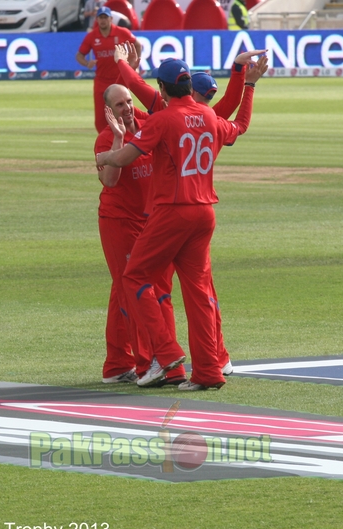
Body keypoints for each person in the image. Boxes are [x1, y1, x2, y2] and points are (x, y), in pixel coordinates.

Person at [96, 58, 261, 391]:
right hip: (205, 212)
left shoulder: (162, 119)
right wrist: (249, 86)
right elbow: (240, 125)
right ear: (190, 87)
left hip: (173, 212)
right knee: (199, 293)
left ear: (162, 89)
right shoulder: (210, 116)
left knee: (134, 276)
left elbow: (126, 158)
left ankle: (167, 352)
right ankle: (208, 371)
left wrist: (106, 158)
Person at [94, 84, 187, 386]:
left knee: (125, 289)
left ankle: (116, 364)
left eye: (129, 101)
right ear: (109, 110)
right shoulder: (106, 139)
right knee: (133, 292)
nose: (127, 108)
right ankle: (147, 362)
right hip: (119, 222)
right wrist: (119, 138)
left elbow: (162, 106)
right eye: (119, 105)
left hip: (151, 221)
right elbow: (109, 181)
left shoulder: (149, 124)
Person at [75, 7, 140, 133]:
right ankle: (106, 142)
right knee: (100, 119)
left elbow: (137, 44)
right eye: (101, 18)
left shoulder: (121, 32)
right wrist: (87, 63)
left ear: (111, 19)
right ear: (97, 19)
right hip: (101, 81)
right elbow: (79, 55)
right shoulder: (92, 36)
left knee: (126, 113)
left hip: (120, 81)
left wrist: (135, 65)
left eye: (105, 17)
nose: (103, 20)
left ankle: (128, 140)